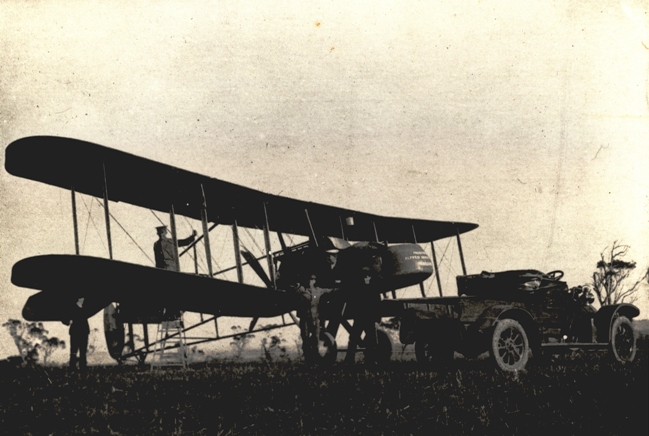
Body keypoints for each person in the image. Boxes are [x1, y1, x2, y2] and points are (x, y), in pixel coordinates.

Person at [69, 298, 90, 372]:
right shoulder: (73, 308)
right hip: (77, 332)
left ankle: (81, 367)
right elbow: (65, 318)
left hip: (82, 332)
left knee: (82, 351)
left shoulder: (84, 308)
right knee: (74, 351)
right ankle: (73, 367)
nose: (84, 299)